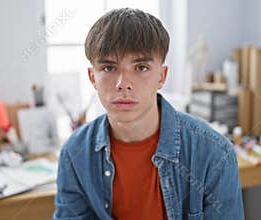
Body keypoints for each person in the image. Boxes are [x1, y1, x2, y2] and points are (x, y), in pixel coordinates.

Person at [54, 8, 244, 220]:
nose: (123, 84)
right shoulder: (74, 153)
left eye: (141, 67)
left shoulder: (215, 154)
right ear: (92, 77)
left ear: (161, 77)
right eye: (109, 68)